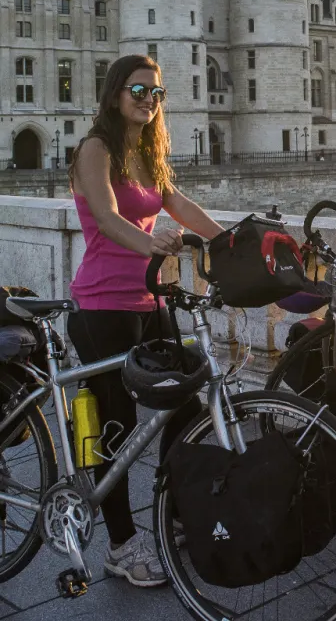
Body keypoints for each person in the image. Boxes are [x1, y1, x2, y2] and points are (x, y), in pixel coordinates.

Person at [66, 54, 225, 588]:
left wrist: (231, 240)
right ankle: (119, 544)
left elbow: (177, 203)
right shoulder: (96, 148)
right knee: (116, 427)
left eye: (156, 94)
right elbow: (109, 218)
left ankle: (171, 512)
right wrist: (152, 241)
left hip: (151, 300)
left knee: (182, 406)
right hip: (102, 305)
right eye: (138, 90)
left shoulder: (150, 154)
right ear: (115, 93)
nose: (148, 101)